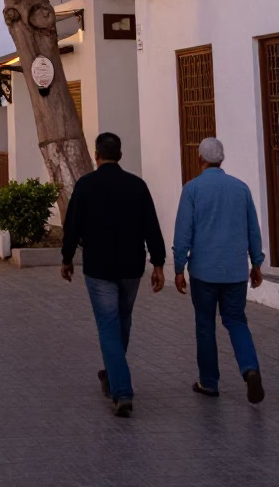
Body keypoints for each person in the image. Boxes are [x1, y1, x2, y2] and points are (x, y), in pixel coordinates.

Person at [61, 131, 166, 418]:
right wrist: (158, 264)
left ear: (96, 155)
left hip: (99, 269)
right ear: (120, 155)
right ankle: (111, 374)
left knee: (108, 326)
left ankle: (122, 391)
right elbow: (151, 227)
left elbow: (72, 226)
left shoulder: (86, 186)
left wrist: (67, 258)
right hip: (132, 267)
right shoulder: (137, 186)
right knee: (123, 320)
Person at [173, 136, 265, 403]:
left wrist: (179, 267)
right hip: (235, 271)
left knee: (205, 325)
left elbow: (183, 233)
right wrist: (256, 263)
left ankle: (209, 382)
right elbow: (253, 229)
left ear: (200, 159)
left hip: (203, 272)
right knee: (236, 321)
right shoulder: (241, 188)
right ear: (221, 159)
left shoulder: (192, 189)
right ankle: (250, 369)